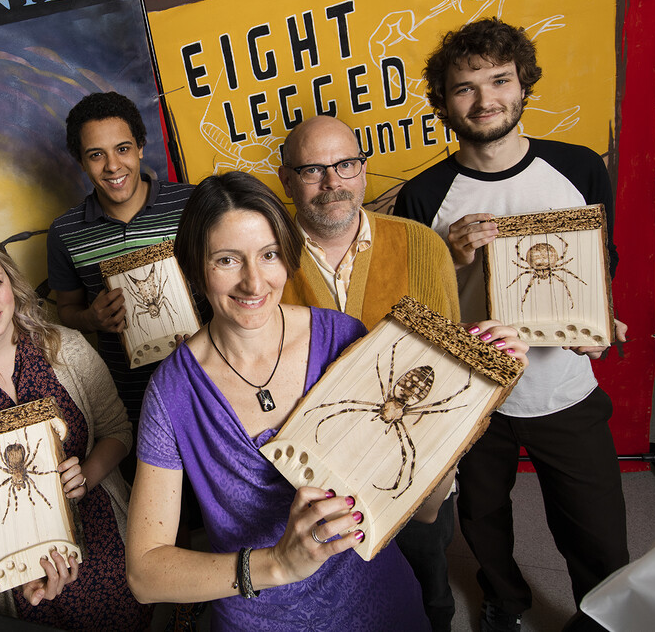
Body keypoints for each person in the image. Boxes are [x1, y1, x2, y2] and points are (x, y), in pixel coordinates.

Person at [127, 171, 528, 631]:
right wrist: (277, 564)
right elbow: (145, 574)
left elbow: (426, 509)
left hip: (380, 605)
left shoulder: (343, 338)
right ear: (195, 269)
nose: (254, 283)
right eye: (226, 260)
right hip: (261, 619)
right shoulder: (173, 390)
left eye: (269, 255)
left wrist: (467, 408)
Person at [394, 17, 629, 632]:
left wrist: (603, 325)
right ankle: (505, 600)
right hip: (475, 395)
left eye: (499, 80)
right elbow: (416, 308)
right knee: (483, 518)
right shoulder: (424, 196)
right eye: (464, 87)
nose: (484, 99)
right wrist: (449, 255)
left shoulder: (579, 168)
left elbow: (600, 272)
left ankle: (606, 617)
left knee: (595, 526)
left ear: (523, 83)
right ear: (444, 102)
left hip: (563, 390)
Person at [0, 236, 151, 631]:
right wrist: (13, 568)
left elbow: (117, 430)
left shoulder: (66, 348)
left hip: (108, 543)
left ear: (12, 284)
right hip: (30, 584)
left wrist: (88, 473)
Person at [277, 115, 460, 631]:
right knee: (333, 605)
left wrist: (442, 477)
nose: (332, 182)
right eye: (312, 169)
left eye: (346, 164)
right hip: (313, 479)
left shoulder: (423, 245)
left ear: (363, 170)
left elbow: (452, 368)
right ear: (287, 179)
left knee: (429, 590)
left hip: (417, 472)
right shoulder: (264, 260)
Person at [47, 92, 198, 427]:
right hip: (132, 399)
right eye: (96, 155)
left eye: (123, 149)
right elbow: (66, 311)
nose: (113, 166)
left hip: (208, 379)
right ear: (81, 161)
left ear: (140, 147)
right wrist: (91, 319)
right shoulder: (65, 232)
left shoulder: (191, 204)